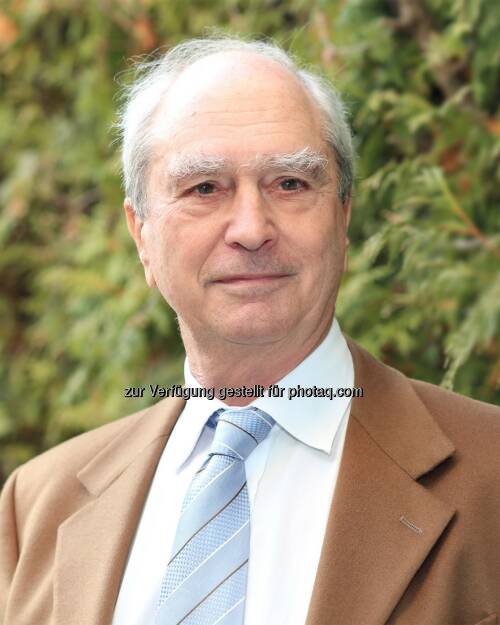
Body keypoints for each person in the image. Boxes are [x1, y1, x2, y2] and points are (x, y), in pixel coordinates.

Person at [1, 36, 499, 625]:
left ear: (342, 217)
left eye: (289, 183)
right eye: (204, 188)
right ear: (141, 235)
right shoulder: (37, 507)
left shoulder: (489, 476)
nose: (251, 228)